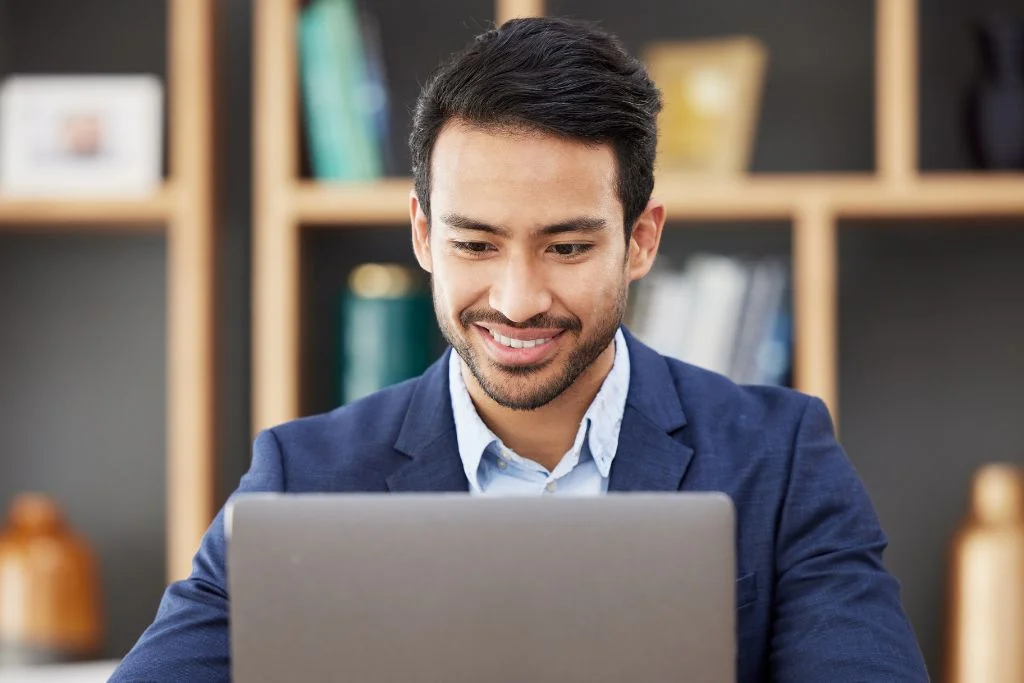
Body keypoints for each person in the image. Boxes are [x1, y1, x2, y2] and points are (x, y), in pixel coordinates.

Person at [111, 16, 929, 682]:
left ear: (640, 241)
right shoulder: (301, 475)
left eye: (567, 248)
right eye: (476, 245)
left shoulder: (780, 458)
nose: (517, 299)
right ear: (424, 234)